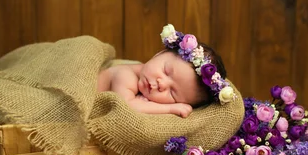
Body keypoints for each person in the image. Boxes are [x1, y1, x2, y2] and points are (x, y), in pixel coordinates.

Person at [97, 24, 234, 117]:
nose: (162, 84)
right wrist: (170, 108)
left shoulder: (142, 80)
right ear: (159, 54)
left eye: (173, 94)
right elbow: (125, 108)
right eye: (166, 71)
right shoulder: (125, 75)